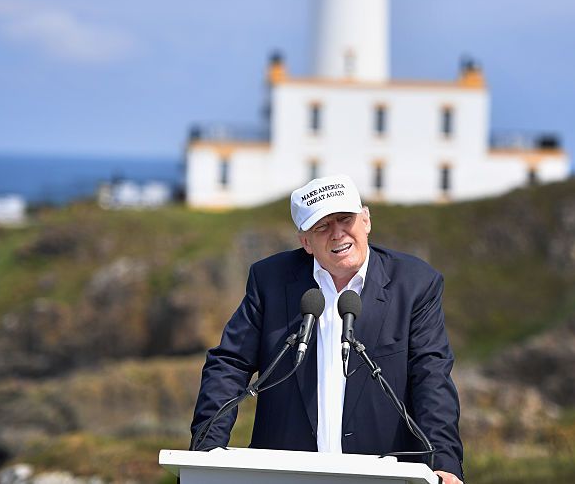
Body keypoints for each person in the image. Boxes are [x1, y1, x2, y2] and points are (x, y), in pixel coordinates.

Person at [190, 174, 465, 482]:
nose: (338, 234)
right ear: (305, 241)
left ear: (366, 220)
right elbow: (229, 363)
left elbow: (431, 376)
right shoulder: (270, 280)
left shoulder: (415, 283)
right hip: (287, 473)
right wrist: (206, 453)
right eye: (322, 226)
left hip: (383, 473)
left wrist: (445, 461)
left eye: (346, 219)